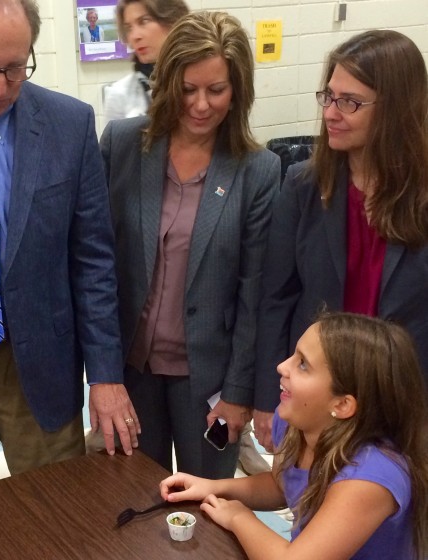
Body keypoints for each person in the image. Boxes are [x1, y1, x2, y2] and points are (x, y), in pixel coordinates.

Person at [0, 0, 139, 498]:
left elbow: (93, 260)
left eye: (17, 67)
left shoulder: (68, 124)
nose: (0, 87)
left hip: (40, 364)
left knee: (56, 511)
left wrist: (105, 376)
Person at [100, 11, 280, 479]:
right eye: (187, 89)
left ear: (237, 90)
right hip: (131, 372)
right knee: (133, 498)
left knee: (208, 506)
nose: (200, 105)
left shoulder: (257, 171)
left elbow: (253, 293)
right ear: (167, 83)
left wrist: (239, 392)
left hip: (210, 381)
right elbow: (95, 263)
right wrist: (100, 372)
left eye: (216, 90)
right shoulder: (122, 145)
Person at [253, 29, 428, 451]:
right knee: (314, 508)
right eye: (328, 96)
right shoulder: (303, 185)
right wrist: (265, 400)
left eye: (349, 102)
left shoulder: (420, 195)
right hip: (319, 401)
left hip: (403, 402)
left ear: (397, 109)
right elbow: (277, 298)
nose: (331, 113)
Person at [161, 312, 428, 560]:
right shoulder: (294, 421)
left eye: (303, 365)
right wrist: (215, 487)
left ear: (342, 405)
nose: (281, 366)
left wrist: (239, 518)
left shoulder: (371, 476)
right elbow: (282, 485)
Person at [104, 0, 189, 123]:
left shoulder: (199, 80)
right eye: (129, 28)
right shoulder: (119, 95)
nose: (135, 36)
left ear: (172, 21)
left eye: (144, 21)